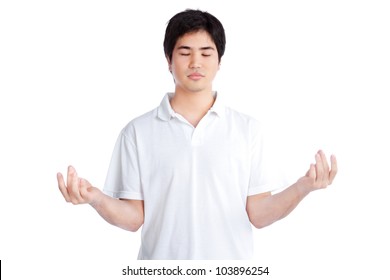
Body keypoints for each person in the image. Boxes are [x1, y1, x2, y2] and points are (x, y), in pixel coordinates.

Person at [57, 9, 337, 260]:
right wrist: (96, 199)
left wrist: (303, 187)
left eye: (206, 53)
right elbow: (133, 218)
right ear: (168, 60)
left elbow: (260, 213)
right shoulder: (138, 132)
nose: (195, 62)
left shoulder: (247, 130)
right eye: (184, 52)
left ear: (219, 61)